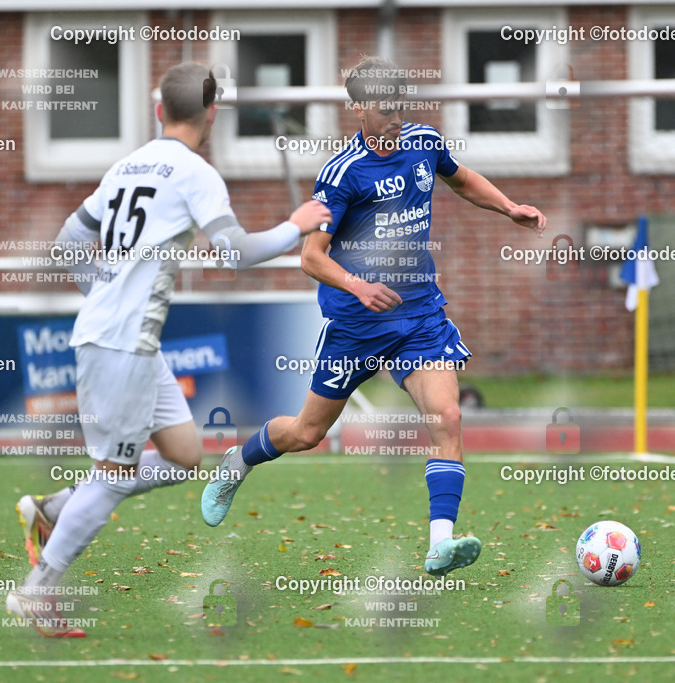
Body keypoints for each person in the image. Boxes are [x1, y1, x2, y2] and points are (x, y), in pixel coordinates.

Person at [7, 63, 331, 637]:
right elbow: (235, 253)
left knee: (185, 455)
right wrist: (295, 225)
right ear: (211, 117)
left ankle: (55, 509)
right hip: (121, 346)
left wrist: (104, 292)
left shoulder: (127, 164)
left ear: (159, 111)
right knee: (112, 475)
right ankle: (37, 591)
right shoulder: (196, 172)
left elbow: (69, 240)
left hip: (129, 341)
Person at [202, 56, 546, 577]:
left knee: (447, 418)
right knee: (306, 433)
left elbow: (462, 178)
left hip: (418, 316)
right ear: (358, 108)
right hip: (356, 325)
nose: (395, 117)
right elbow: (311, 256)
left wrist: (509, 206)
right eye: (385, 109)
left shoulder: (423, 143)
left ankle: (439, 544)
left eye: (400, 107)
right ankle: (239, 461)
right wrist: (358, 285)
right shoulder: (342, 173)